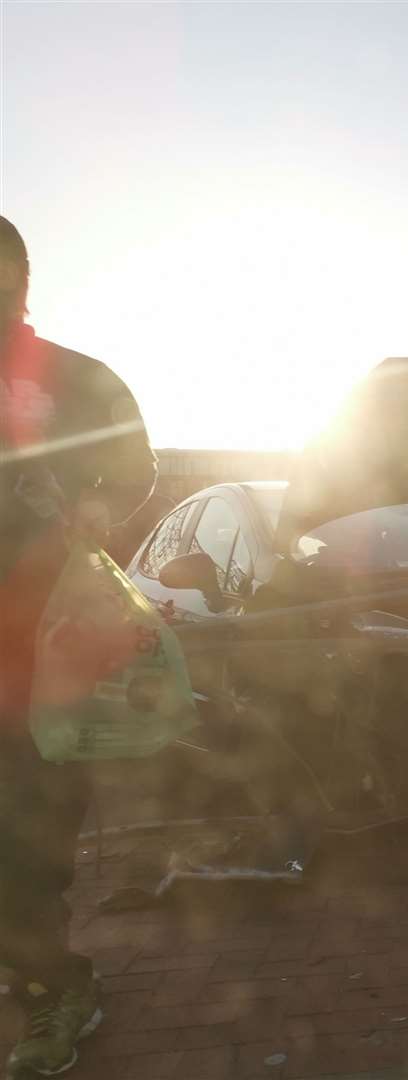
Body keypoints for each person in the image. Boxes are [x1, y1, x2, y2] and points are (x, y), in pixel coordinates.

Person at [0, 216, 156, 1078]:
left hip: (41, 644)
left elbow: (135, 466)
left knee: (28, 825)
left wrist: (97, 511)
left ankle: (55, 982)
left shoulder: (75, 377)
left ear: (23, 278)